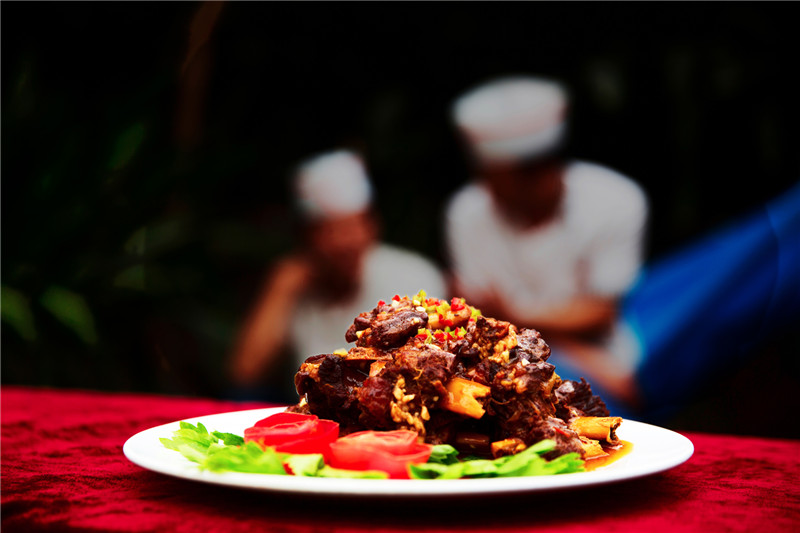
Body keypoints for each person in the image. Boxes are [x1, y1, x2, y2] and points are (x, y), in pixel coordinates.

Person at [444, 76, 649, 414]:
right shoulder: (466, 212)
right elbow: (487, 320)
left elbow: (600, 311)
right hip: (508, 360)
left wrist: (514, 313)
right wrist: (594, 364)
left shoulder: (617, 198)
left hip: (611, 348)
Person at [228, 149, 447, 402]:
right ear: (306, 238)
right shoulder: (296, 284)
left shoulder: (414, 274)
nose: (345, 242)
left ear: (372, 226)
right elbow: (244, 373)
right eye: (330, 231)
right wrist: (281, 289)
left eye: (354, 226)